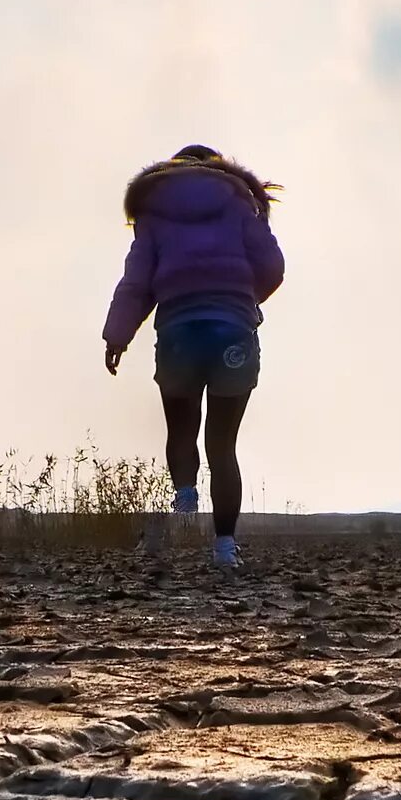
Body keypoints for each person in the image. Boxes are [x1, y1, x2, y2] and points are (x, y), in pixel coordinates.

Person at [101, 144, 283, 568]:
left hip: (180, 332)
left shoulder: (153, 212)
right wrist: (244, 298)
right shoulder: (241, 203)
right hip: (232, 331)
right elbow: (272, 265)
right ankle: (223, 549)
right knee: (223, 446)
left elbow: (137, 282)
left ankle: (184, 496)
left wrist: (117, 335)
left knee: (181, 428)